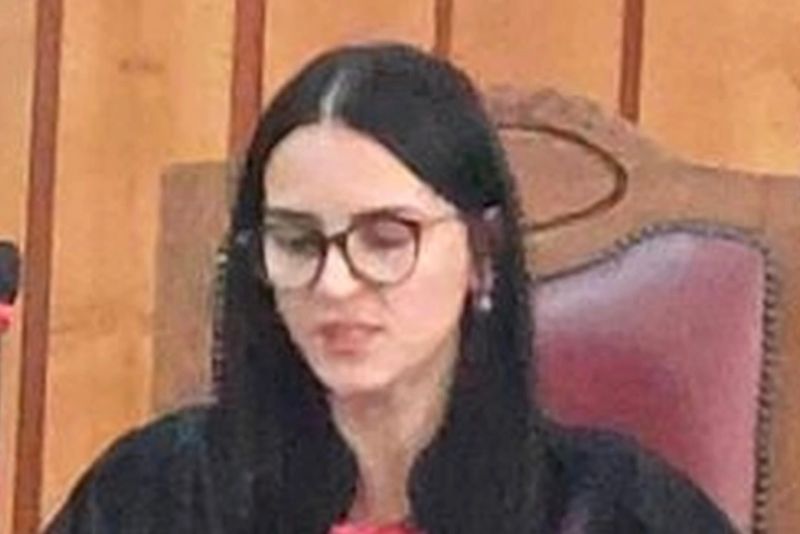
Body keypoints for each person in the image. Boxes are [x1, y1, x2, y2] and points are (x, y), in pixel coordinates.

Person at [45, 42, 738, 534]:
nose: (334, 283)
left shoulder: (615, 511)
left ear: (481, 254)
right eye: (297, 241)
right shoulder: (151, 496)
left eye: (385, 239)